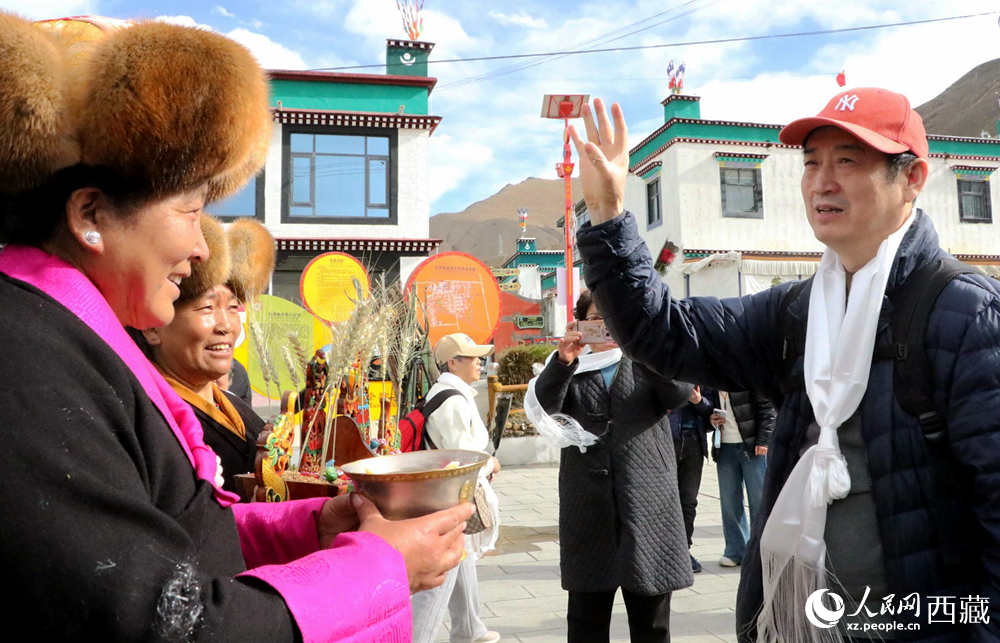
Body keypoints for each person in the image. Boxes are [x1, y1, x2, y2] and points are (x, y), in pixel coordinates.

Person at [0, 14, 472, 642]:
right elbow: (159, 619)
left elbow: (176, 537)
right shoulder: (26, 358)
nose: (201, 248)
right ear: (90, 214)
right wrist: (376, 567)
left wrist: (314, 529)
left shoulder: (62, 338)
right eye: (190, 210)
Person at [568, 91, 1000, 642]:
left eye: (847, 161)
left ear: (912, 177)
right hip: (801, 621)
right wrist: (607, 215)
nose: (822, 182)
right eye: (811, 163)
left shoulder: (966, 313)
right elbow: (662, 330)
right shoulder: (795, 311)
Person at [530, 290, 694, 643]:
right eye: (594, 319)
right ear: (580, 324)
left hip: (647, 502)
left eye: (612, 319)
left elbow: (680, 394)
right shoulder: (571, 365)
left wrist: (642, 350)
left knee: (652, 622)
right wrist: (562, 362)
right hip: (588, 502)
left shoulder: (644, 359)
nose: (604, 326)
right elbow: (545, 408)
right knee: (586, 619)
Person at [140, 216, 274, 494]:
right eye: (206, 308)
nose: (226, 326)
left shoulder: (238, 409)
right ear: (153, 327)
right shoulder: (150, 418)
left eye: (233, 308)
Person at [412, 333, 502, 643]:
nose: (480, 361)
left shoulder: (452, 393)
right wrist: (490, 464)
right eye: (473, 356)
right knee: (443, 571)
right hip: (447, 495)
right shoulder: (451, 400)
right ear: (453, 362)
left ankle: (470, 628)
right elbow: (461, 457)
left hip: (444, 491)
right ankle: (416, 637)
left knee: (459, 558)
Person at [706, 390, 774, 568]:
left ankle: (761, 551)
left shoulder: (747, 376)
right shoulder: (713, 380)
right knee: (729, 502)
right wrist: (711, 419)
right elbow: (707, 406)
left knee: (759, 500)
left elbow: (768, 408)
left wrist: (764, 440)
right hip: (725, 447)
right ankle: (735, 551)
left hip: (753, 445)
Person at [668, 384, 715, 573]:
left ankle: (683, 550)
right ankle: (664, 551)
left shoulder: (700, 374)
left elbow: (711, 409)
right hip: (664, 442)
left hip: (694, 441)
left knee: (688, 501)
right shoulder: (658, 371)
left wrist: (699, 401)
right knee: (663, 501)